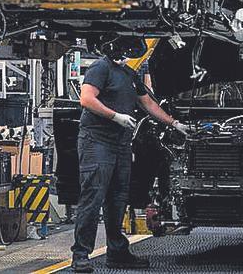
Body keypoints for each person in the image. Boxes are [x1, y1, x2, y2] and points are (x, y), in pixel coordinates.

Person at [71, 46, 189, 273]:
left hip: (121, 144)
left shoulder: (129, 74)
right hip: (97, 142)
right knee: (93, 197)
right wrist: (115, 116)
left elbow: (148, 104)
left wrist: (173, 123)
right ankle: (80, 255)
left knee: (118, 199)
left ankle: (117, 252)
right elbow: (86, 99)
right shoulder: (100, 68)